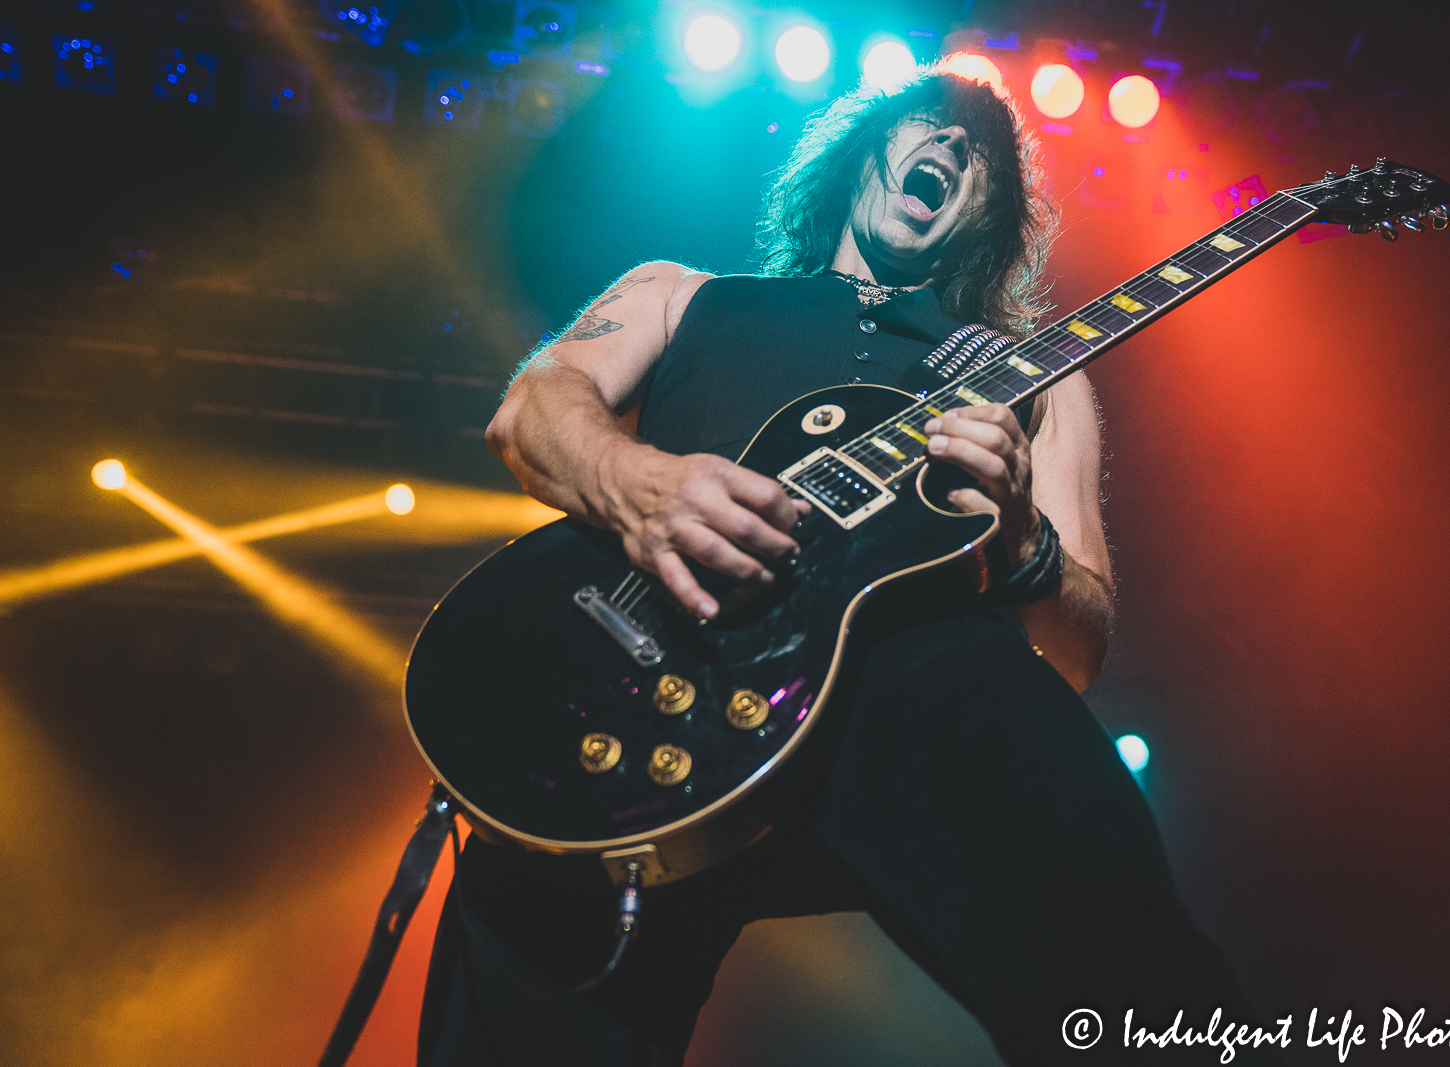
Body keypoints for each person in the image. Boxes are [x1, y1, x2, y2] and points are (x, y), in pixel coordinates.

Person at [420, 71, 1271, 1065]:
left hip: (915, 675)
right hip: (644, 665)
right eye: (934, 130)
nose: (954, 153)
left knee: (1118, 955)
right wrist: (635, 483)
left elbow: (1076, 648)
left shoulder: (1032, 376)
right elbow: (529, 412)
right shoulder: (680, 293)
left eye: (982, 158)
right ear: (862, 151)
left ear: (988, 212)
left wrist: (1013, 541)